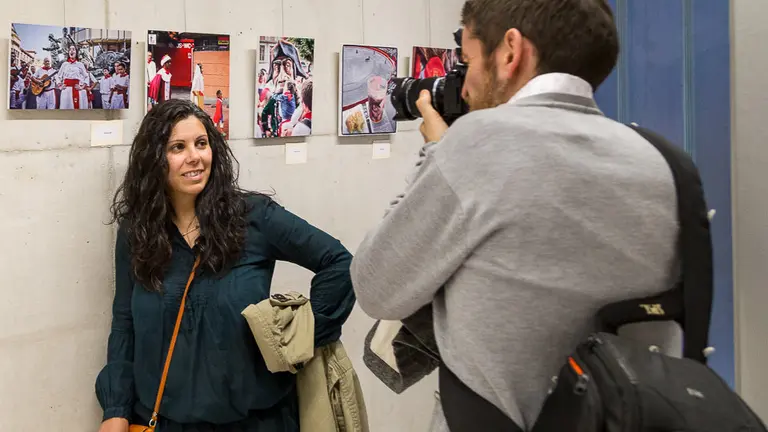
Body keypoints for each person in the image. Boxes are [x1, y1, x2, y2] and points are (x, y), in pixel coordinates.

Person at [350, 0, 679, 430]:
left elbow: (376, 285)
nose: (463, 87)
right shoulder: (663, 164)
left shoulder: (476, 145)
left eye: (466, 61)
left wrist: (438, 151)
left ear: (510, 51)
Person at [95, 99, 355, 432]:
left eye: (201, 144)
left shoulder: (253, 217)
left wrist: (300, 338)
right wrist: (116, 410)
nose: (195, 157)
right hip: (164, 422)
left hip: (254, 422)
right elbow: (125, 322)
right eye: (178, 147)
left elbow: (338, 263)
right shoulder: (137, 232)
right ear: (154, 159)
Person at [57, 44, 90, 109]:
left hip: (76, 89)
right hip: (66, 90)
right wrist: (60, 86)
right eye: (70, 49)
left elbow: (86, 76)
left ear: (76, 52)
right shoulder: (64, 64)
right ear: (68, 52)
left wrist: (82, 86)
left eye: (73, 49)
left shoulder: (80, 64)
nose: (71, 51)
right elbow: (58, 76)